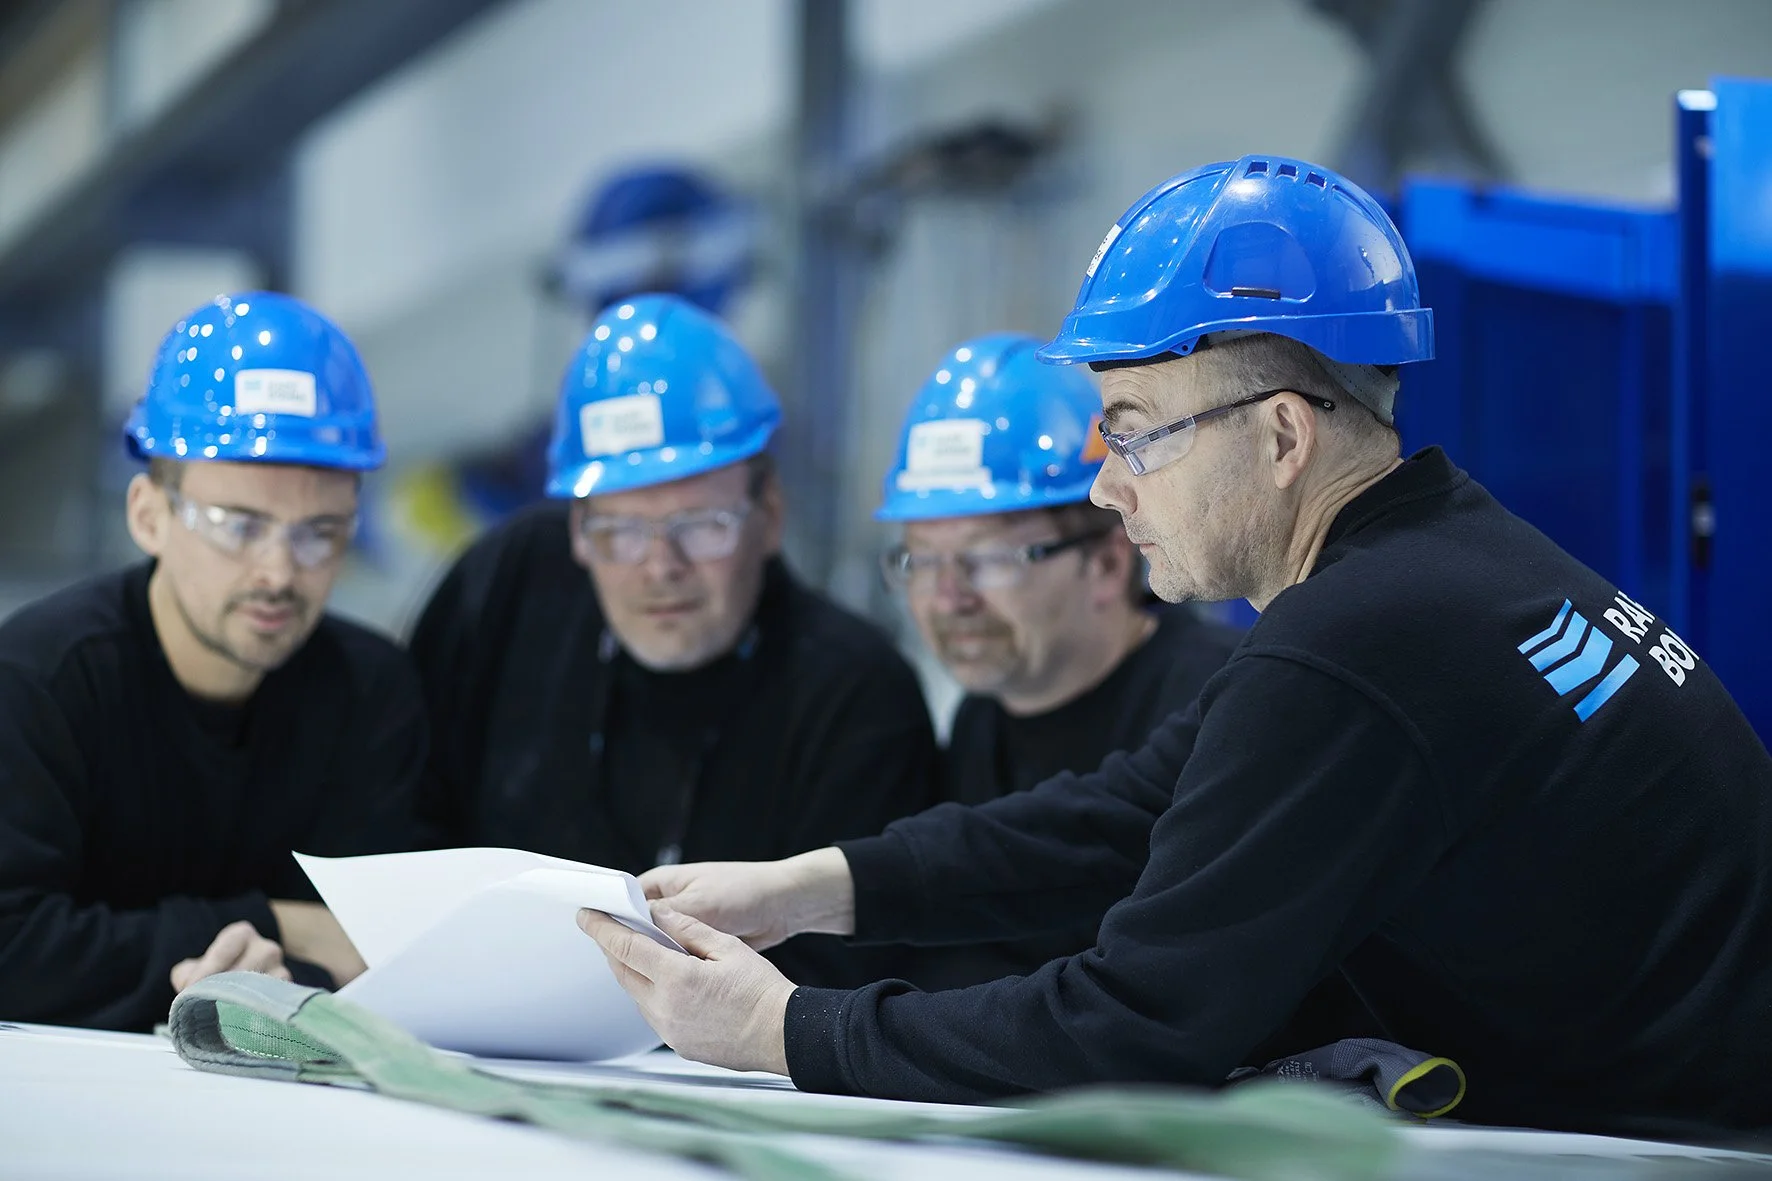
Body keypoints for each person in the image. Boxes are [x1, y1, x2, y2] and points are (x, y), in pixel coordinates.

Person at [579, 157, 1772, 1138]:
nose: (1103, 486)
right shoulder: (1445, 561)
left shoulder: (1360, 641)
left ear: (1282, 435)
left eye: (1136, 434)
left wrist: (782, 1031)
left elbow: (1135, 1021)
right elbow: (1131, 808)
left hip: (1677, 1146)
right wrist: (808, 888)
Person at [410, 293, 941, 989]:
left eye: (701, 522)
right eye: (621, 530)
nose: (661, 566)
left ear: (769, 512)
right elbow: (405, 824)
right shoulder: (507, 592)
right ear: (575, 527)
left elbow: (852, 990)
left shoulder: (858, 695)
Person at [0, 292, 426, 1031]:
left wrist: (268, 966)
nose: (278, 571)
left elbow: (397, 953)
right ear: (148, 514)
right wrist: (268, 925)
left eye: (318, 532)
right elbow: (11, 947)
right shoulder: (42, 682)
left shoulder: (372, 696)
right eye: (239, 525)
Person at [878, 332, 1239, 989]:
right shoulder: (981, 722)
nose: (948, 598)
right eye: (922, 561)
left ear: (1106, 562)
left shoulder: (1217, 702)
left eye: (987, 559)